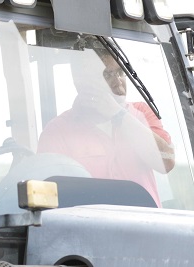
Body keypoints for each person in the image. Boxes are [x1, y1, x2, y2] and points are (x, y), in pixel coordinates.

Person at [37, 38, 175, 207]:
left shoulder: (142, 114)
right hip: (93, 231)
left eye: (121, 72)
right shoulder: (57, 132)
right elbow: (50, 202)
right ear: (82, 82)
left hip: (150, 229)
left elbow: (166, 163)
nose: (118, 82)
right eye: (108, 75)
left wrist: (118, 115)